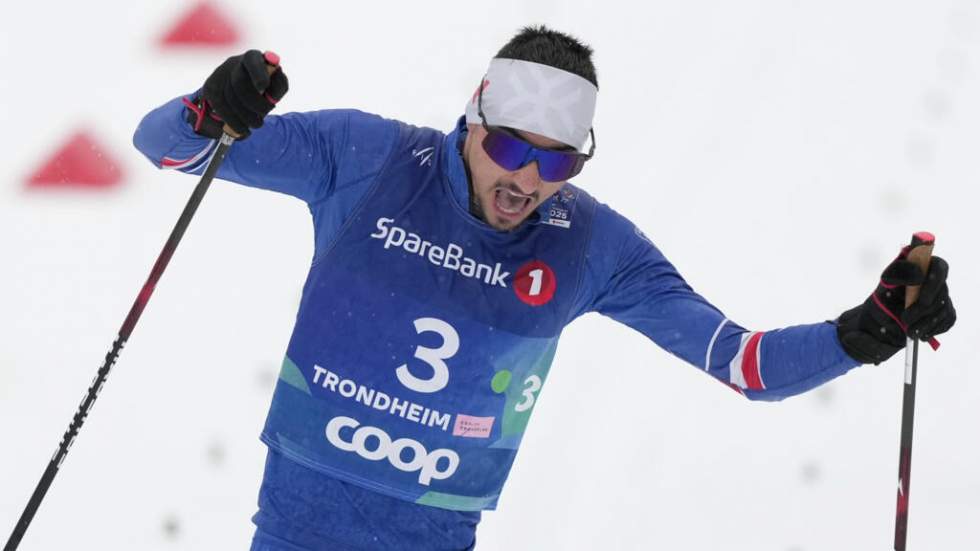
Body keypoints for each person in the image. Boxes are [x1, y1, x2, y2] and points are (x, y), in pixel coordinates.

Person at [133, 26, 955, 551]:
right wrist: (212, 109)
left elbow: (744, 363)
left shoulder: (590, 245)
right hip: (293, 534)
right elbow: (166, 147)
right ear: (473, 119)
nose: (527, 180)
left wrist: (868, 329)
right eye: (510, 150)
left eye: (557, 161)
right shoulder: (367, 160)